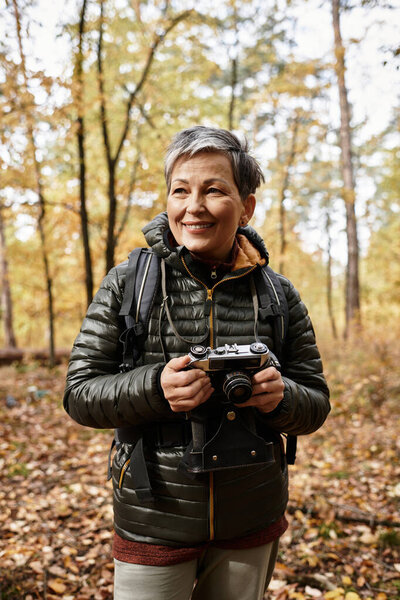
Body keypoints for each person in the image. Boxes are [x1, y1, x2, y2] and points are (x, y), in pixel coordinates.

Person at [63, 125, 330, 600]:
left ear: (246, 205)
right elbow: (79, 393)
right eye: (180, 190)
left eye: (214, 190)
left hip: (251, 515)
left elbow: (316, 403)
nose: (194, 207)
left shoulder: (277, 295)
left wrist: (281, 397)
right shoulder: (130, 283)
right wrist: (154, 388)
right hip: (153, 515)